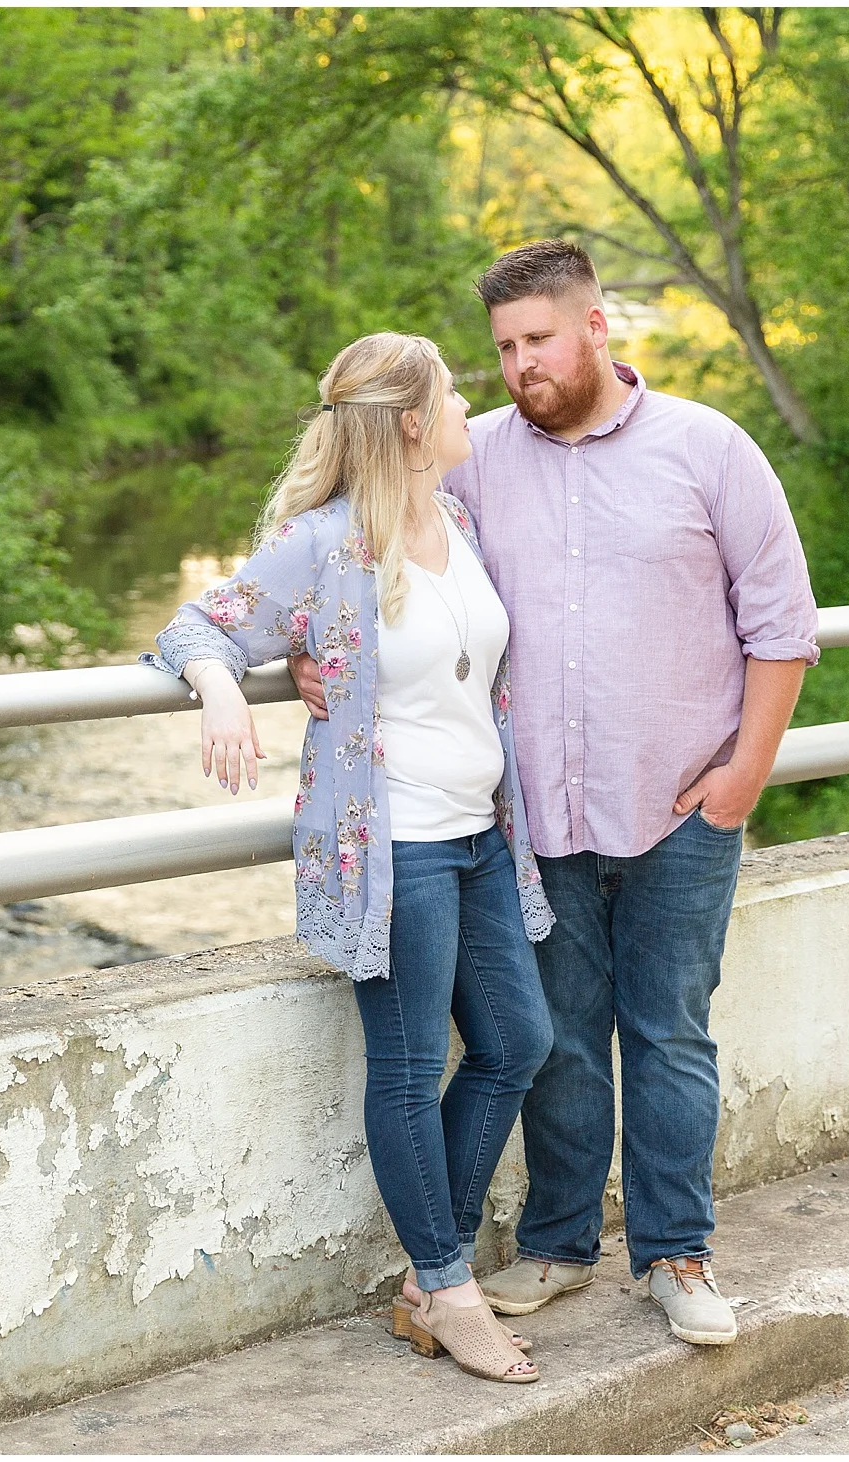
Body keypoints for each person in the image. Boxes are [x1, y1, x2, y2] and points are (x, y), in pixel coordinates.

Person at [292, 242, 819, 1347]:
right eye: (502, 348)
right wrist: (313, 649)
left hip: (680, 806)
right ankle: (560, 1244)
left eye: (538, 339)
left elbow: (782, 625)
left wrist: (743, 775)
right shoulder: (468, 454)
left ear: (595, 329)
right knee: (560, 1040)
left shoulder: (708, 449)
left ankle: (676, 1255)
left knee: (668, 1033)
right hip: (532, 819)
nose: (521, 364)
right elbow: (345, 534)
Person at [151, 332, 557, 1385]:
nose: (474, 402)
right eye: (456, 391)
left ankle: (431, 1275)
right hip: (397, 851)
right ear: (413, 423)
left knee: (518, 1040)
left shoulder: (457, 519)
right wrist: (231, 683)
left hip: (479, 834)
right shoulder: (323, 543)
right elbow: (197, 623)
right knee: (413, 1066)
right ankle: (447, 1284)